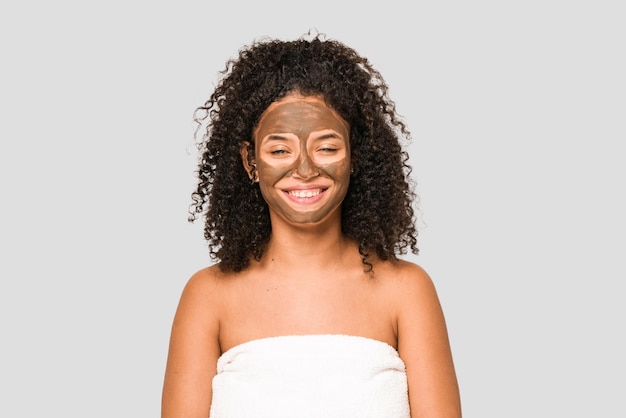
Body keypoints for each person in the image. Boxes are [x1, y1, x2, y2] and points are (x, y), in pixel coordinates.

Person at [161, 32, 461, 418]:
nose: (304, 170)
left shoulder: (405, 291)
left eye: (327, 147)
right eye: (279, 150)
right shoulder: (207, 296)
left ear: (354, 156)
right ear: (251, 163)